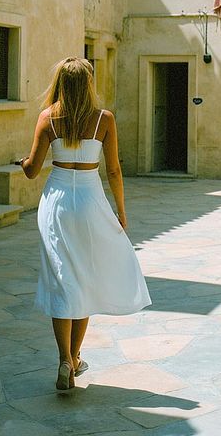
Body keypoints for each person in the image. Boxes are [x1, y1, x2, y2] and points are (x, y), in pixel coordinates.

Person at [16, 57, 151, 390]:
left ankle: (64, 359)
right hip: (90, 202)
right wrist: (121, 211)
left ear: (60, 83)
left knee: (62, 278)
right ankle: (75, 358)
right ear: (88, 84)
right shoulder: (104, 119)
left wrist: (23, 162)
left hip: (57, 204)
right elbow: (114, 170)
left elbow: (32, 170)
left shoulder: (47, 118)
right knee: (84, 278)